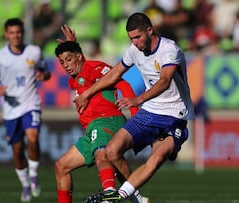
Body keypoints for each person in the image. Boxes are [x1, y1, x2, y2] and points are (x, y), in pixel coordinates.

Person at [74, 12, 195, 202]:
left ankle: (118, 197)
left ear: (150, 30)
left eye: (138, 37)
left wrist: (137, 100)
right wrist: (87, 94)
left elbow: (164, 81)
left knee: (157, 157)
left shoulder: (170, 50)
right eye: (132, 39)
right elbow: (114, 74)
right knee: (112, 151)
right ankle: (131, 198)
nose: (135, 42)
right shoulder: (133, 50)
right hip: (149, 111)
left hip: (174, 114)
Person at [54, 40, 150, 203]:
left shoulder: (92, 67)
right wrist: (73, 44)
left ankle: (109, 195)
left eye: (69, 59)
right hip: (92, 128)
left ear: (78, 56)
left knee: (102, 154)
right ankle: (138, 199)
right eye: (62, 62)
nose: (66, 65)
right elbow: (82, 68)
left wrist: (135, 115)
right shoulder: (74, 80)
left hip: (107, 120)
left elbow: (121, 82)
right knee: (61, 167)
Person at [0, 18, 51, 202]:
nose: (16, 36)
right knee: (17, 149)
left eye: (19, 32)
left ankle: (34, 175)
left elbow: (46, 72)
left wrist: (42, 75)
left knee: (33, 138)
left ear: (23, 33)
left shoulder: (34, 52)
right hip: (11, 109)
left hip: (31, 103)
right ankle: (25, 185)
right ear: (6, 34)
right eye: (12, 32)